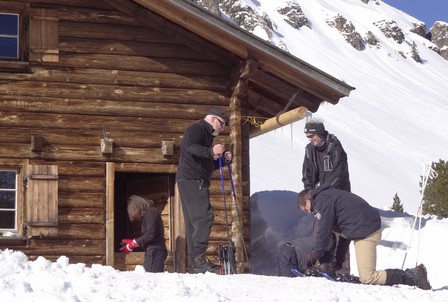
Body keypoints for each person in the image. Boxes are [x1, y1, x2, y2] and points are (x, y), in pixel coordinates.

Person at [296, 185, 431, 290]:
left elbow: (323, 234)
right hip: (365, 228)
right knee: (366, 275)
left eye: (306, 210)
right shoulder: (326, 197)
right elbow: (345, 232)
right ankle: (413, 275)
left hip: (367, 232)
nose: (309, 213)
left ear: (308, 201)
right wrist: (337, 262)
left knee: (368, 277)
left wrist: (312, 258)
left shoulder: (322, 202)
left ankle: (413, 276)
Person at [176, 108, 232, 274]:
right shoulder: (197, 129)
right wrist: (211, 151)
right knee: (204, 217)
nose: (222, 128)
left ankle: (196, 262)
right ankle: (198, 258)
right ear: (214, 119)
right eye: (221, 124)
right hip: (193, 179)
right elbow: (191, 147)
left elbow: (204, 163)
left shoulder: (206, 134)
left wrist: (222, 161)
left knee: (194, 221)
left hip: (192, 179)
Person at [302, 118, 352, 273]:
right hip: (322, 197)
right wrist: (310, 193)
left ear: (319, 133)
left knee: (342, 232)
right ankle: (323, 264)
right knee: (321, 229)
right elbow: (308, 174)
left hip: (340, 197)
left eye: (312, 136)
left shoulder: (335, 147)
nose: (310, 140)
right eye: (308, 137)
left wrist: (320, 191)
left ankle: (340, 268)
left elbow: (338, 175)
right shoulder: (310, 150)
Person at [119, 195, 167, 273]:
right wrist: (133, 241)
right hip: (152, 251)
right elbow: (149, 235)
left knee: (151, 277)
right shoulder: (149, 213)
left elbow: (151, 234)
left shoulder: (151, 213)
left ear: (137, 207)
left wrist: (134, 243)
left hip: (155, 251)